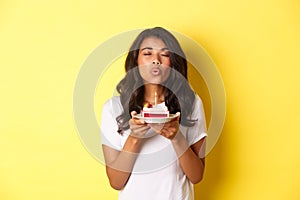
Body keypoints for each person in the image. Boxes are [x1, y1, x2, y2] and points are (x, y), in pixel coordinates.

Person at [100, 27, 207, 200]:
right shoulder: (114, 109)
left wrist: (176, 137)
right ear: (136, 61)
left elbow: (196, 176)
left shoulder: (191, 103)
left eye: (164, 55)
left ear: (173, 62)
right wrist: (135, 137)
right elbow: (116, 182)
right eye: (147, 53)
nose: (156, 60)